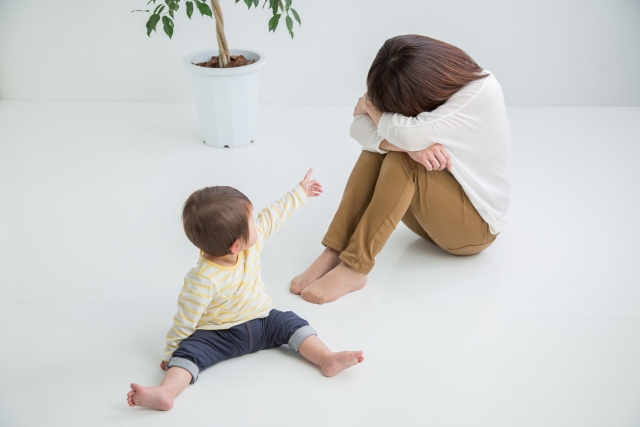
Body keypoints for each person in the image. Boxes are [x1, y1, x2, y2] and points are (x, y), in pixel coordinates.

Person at [291, 34, 511, 304]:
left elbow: (402, 134)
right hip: (429, 217)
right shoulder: (413, 82)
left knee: (403, 159)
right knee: (378, 152)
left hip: (474, 229)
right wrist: (408, 144)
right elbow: (358, 128)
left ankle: (355, 267)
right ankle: (335, 250)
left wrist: (375, 113)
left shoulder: (481, 91)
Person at [126, 170, 364, 410]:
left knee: (290, 323)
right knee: (189, 352)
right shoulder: (202, 279)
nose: (257, 224)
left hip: (261, 321)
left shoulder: (244, 246)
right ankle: (166, 392)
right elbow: (185, 319)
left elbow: (273, 215)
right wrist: (171, 353)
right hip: (219, 334)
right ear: (236, 245)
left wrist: (300, 192)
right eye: (251, 222)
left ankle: (326, 358)